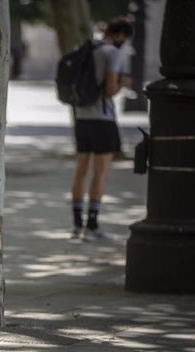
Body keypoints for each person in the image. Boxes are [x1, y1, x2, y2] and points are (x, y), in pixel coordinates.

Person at [70, 17, 133, 242]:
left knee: (81, 170)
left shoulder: (86, 48)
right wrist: (124, 83)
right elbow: (109, 90)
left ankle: (77, 225)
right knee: (100, 172)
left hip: (82, 117)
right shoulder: (112, 53)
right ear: (122, 35)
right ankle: (93, 225)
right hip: (103, 119)